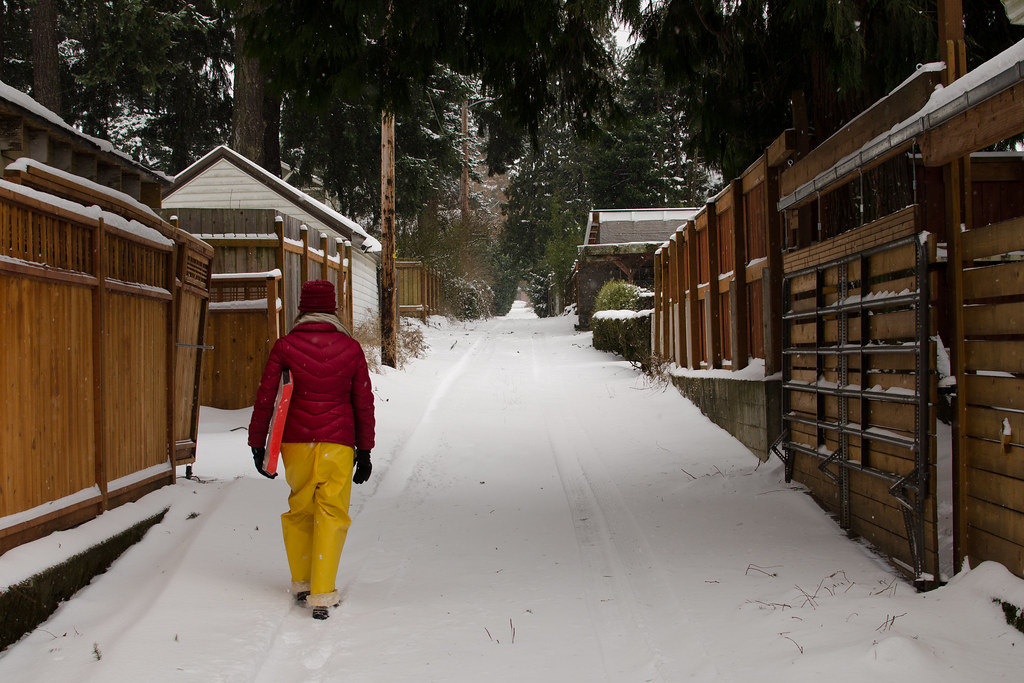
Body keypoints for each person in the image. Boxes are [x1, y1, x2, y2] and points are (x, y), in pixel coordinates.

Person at [248, 279, 375, 620]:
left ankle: (302, 582)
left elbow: (266, 398)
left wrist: (257, 443)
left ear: (302, 308)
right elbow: (363, 402)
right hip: (337, 445)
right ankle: (323, 593)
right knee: (332, 513)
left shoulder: (285, 346)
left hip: (296, 444)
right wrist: (364, 451)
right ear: (333, 308)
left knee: (300, 509)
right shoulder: (350, 349)